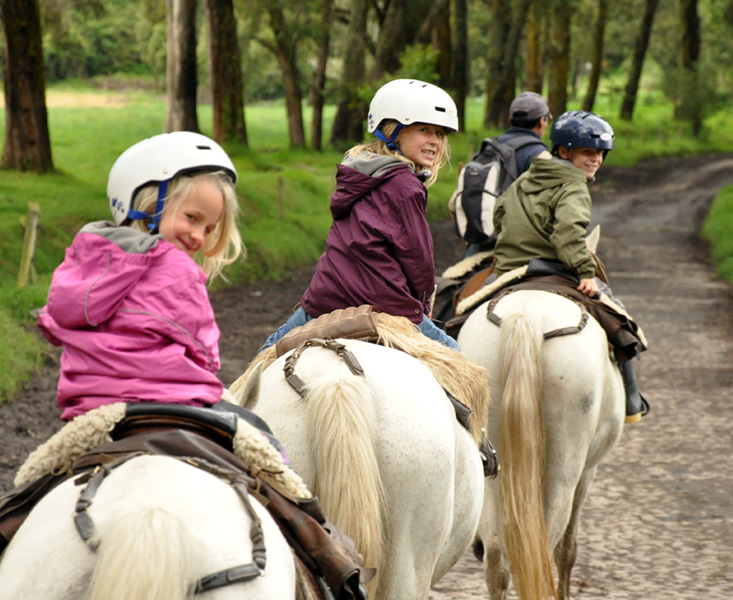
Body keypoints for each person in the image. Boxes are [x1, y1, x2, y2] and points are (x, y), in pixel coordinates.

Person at [37, 131, 287, 452]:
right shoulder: (176, 267)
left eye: (208, 228)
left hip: (86, 407)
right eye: (192, 218)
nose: (198, 235)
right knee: (265, 447)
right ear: (149, 205)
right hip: (171, 402)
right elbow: (206, 352)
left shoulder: (83, 259)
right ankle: (298, 499)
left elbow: (56, 321)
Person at [261, 78, 461, 352]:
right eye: (424, 130)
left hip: (326, 297)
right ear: (392, 131)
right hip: (387, 305)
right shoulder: (405, 185)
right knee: (460, 363)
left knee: (268, 353)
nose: (435, 141)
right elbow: (417, 259)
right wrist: (423, 306)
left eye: (440, 133)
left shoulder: (355, 175)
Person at [491, 110, 649, 422]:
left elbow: (498, 214)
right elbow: (567, 235)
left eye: (600, 153)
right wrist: (586, 272)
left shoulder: (527, 176)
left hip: (507, 269)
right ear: (564, 152)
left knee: (458, 314)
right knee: (621, 320)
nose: (596, 160)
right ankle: (631, 402)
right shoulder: (574, 184)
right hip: (551, 268)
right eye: (587, 152)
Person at [461, 91, 553, 257]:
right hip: (519, 248)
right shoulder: (541, 155)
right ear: (542, 121)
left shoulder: (488, 148)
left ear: (511, 120)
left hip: (479, 242)